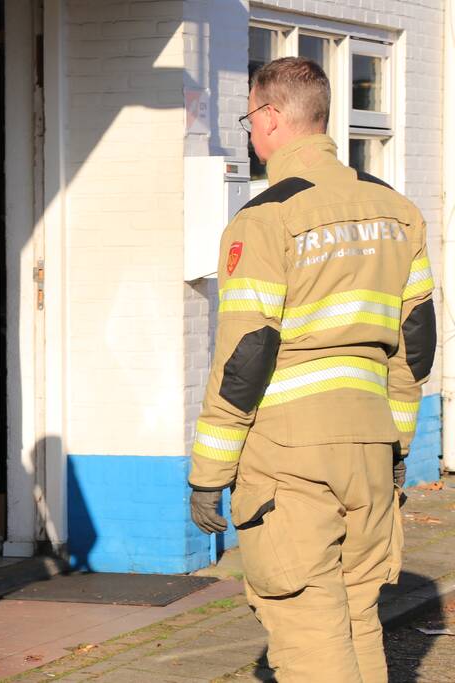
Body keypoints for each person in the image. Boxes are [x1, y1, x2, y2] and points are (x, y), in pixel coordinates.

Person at [188, 57, 434, 682]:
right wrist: (397, 444)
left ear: (271, 117)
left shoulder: (266, 218)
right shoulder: (398, 212)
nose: (249, 132)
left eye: (249, 117)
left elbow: (246, 357)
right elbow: (417, 345)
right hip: (371, 447)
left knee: (307, 632)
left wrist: (208, 472)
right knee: (357, 619)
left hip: (290, 457)